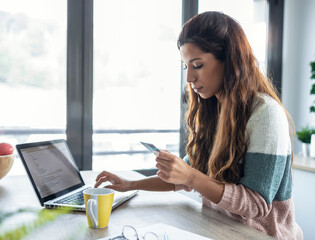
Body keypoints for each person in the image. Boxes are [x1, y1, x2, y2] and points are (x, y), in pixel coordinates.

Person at [95, 11, 303, 240]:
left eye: (197, 65)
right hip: (218, 231)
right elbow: (185, 176)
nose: (189, 78)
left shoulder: (265, 114)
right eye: (186, 67)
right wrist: (130, 184)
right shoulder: (212, 110)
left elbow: (256, 204)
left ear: (230, 61)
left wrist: (191, 177)